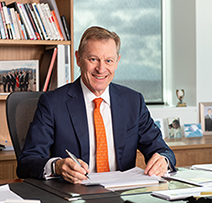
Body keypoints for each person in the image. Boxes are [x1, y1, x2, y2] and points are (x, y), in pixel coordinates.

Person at [17, 26, 176, 184]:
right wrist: (57, 166)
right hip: (74, 195)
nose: (101, 69)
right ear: (78, 58)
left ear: (117, 62)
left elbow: (163, 151)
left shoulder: (133, 101)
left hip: (122, 194)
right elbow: (27, 162)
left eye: (108, 61)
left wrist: (163, 160)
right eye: (93, 59)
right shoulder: (52, 103)